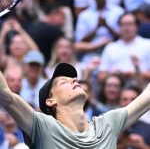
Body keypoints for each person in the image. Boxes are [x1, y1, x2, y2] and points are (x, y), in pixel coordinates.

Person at [0, 63, 150, 149]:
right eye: (64, 82)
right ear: (50, 101)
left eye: (73, 79)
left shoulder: (107, 124)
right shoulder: (43, 127)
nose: (73, 80)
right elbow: (6, 95)